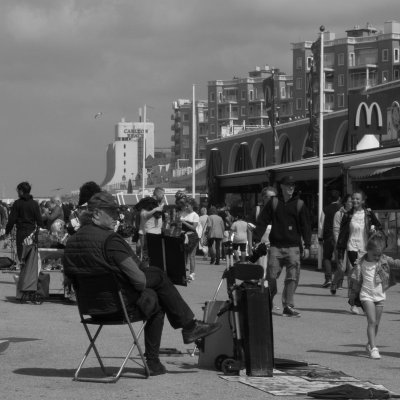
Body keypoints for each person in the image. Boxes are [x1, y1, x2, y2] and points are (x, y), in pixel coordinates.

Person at [63, 192, 221, 376]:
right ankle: (179, 336)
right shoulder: (110, 240)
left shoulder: (72, 242)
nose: (116, 218)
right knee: (157, 285)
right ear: (96, 214)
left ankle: (188, 328)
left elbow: (69, 279)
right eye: (112, 213)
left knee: (155, 288)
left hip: (90, 308)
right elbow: (139, 281)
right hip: (118, 307)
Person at [252, 175, 311, 318]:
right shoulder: (274, 202)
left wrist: (307, 245)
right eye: (288, 185)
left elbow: (306, 226)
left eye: (293, 185)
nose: (291, 188)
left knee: (292, 278)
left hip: (293, 247)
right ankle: (268, 300)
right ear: (282, 187)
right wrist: (256, 238)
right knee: (271, 277)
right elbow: (263, 220)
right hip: (276, 247)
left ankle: (288, 306)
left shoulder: (300, 204)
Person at [348, 232, 400, 359]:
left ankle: (370, 344)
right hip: (366, 296)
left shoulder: (383, 260)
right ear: (368, 250)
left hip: (380, 296)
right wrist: (352, 297)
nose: (377, 257)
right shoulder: (360, 263)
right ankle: (374, 348)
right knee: (371, 321)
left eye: (379, 254)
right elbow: (353, 280)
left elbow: (396, 263)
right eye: (375, 254)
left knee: (376, 323)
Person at [337, 189, 382, 315]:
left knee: (365, 278)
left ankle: (357, 303)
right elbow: (342, 234)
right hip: (352, 248)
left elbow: (379, 226)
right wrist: (340, 252)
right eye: (353, 198)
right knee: (358, 276)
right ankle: (356, 304)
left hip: (366, 248)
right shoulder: (347, 214)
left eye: (357, 199)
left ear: (362, 200)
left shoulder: (368, 214)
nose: (355, 200)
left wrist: (374, 229)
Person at [3, 182, 43, 261]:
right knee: (31, 252)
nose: (17, 192)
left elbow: (11, 220)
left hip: (21, 231)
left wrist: (7, 232)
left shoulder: (17, 203)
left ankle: (23, 269)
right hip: (32, 232)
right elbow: (39, 220)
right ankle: (29, 270)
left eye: (18, 190)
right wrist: (40, 231)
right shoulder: (34, 204)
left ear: (21, 191)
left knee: (21, 252)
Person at [330, 194, 353, 294]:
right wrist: (338, 243)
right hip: (341, 245)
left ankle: (351, 292)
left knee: (352, 268)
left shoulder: (356, 214)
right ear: (345, 202)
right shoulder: (338, 214)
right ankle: (334, 282)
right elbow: (336, 230)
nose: (352, 203)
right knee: (341, 269)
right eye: (350, 201)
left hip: (352, 244)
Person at [320, 190, 342, 288]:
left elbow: (321, 224)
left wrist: (320, 237)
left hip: (328, 236)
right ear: (339, 198)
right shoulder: (341, 209)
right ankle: (339, 282)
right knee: (340, 259)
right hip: (339, 237)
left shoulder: (325, 209)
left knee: (327, 257)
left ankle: (328, 279)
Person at [138, 187, 165, 261]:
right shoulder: (148, 202)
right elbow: (144, 215)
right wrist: (155, 210)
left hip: (156, 233)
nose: (163, 196)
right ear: (158, 194)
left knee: (155, 256)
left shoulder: (157, 203)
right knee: (146, 256)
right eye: (162, 194)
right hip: (147, 234)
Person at [180, 197, 199, 281]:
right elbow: (179, 225)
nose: (186, 207)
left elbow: (194, 227)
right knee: (183, 255)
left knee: (191, 256)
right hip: (183, 236)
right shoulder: (183, 213)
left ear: (192, 206)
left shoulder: (195, 215)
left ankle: (192, 273)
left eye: (188, 206)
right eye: (186, 206)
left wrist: (184, 222)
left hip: (192, 236)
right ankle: (182, 272)